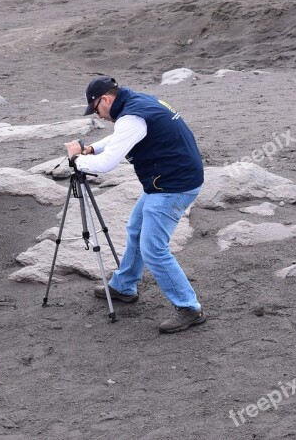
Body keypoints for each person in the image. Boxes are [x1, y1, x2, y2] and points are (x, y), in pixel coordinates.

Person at [64, 75, 206, 333]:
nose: (100, 117)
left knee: (153, 248)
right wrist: (92, 149)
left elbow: (107, 165)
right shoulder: (139, 102)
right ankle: (124, 285)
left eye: (96, 110)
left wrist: (76, 160)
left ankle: (189, 308)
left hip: (174, 185)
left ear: (105, 100)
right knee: (136, 229)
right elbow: (122, 137)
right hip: (171, 179)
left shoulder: (131, 117)